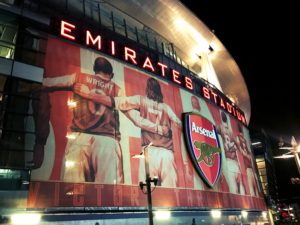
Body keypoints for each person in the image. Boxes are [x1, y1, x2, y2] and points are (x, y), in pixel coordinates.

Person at [29, 57, 167, 185]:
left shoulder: (78, 78)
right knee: (110, 195)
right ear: (111, 75)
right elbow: (136, 120)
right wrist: (159, 129)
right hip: (107, 143)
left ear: (95, 70)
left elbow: (46, 83)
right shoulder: (116, 89)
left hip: (79, 141)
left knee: (72, 192)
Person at [74, 77, 182, 187]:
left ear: (148, 89)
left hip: (148, 151)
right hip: (167, 152)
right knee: (171, 190)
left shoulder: (141, 100)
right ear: (159, 90)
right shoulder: (166, 108)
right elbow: (179, 123)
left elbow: (118, 102)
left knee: (147, 191)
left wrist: (89, 95)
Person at [216, 110, 243, 194]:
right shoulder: (230, 131)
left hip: (228, 161)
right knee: (239, 189)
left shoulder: (220, 127)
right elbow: (237, 148)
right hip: (234, 163)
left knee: (234, 190)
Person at [236, 123, 259, 196]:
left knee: (254, 188)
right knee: (253, 189)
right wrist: (247, 155)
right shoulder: (240, 138)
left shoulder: (243, 139)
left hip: (249, 167)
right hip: (247, 167)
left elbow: (243, 150)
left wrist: (248, 155)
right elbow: (241, 150)